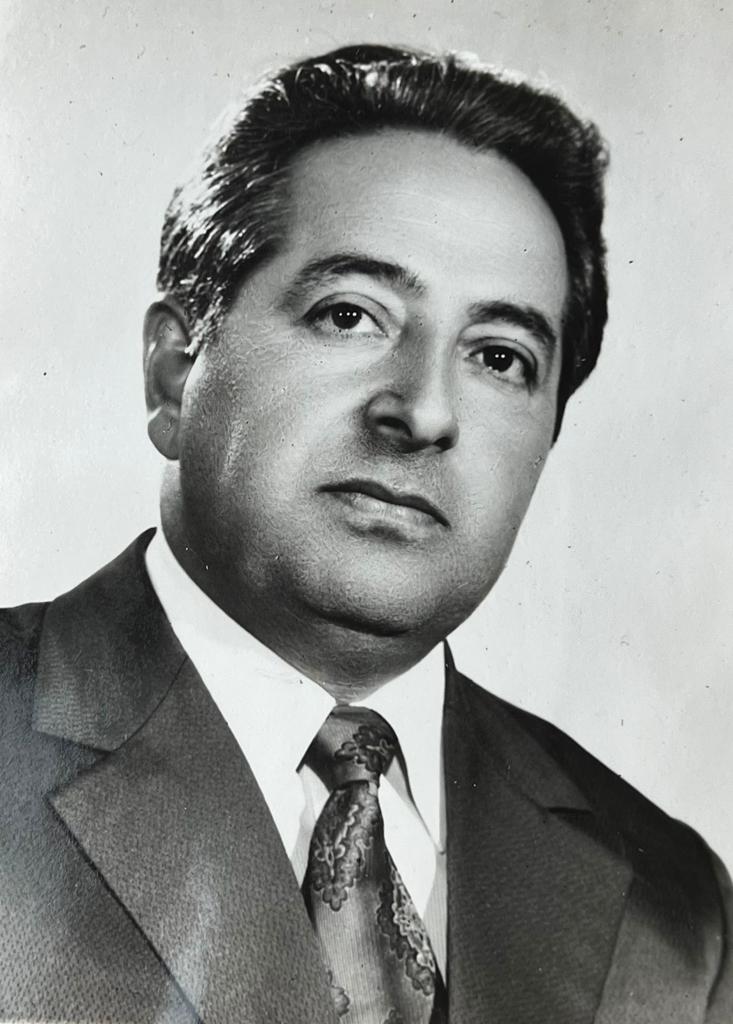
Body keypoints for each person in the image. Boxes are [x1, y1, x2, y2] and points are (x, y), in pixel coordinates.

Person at [0, 43, 730, 1024]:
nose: (423, 411)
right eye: (350, 314)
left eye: (499, 356)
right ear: (175, 372)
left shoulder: (674, 913)